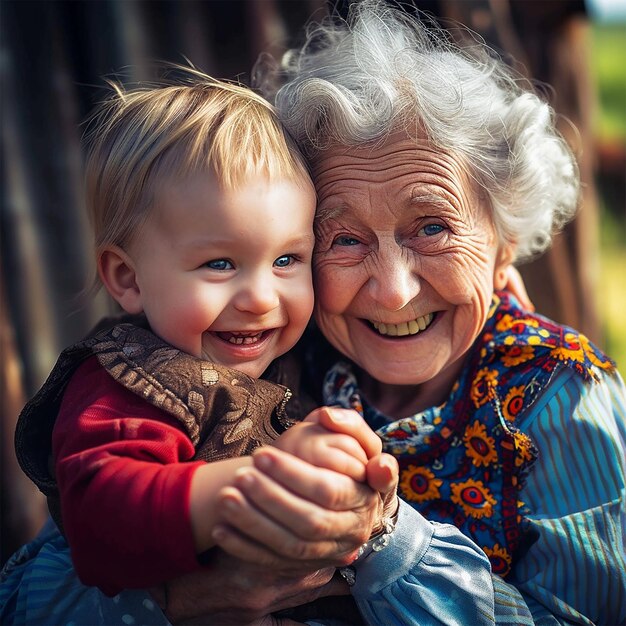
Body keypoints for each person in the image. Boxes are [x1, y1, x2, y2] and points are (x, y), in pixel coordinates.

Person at [155, 1, 625, 624]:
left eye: (431, 228)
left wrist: (385, 536)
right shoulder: (264, 350)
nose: (394, 293)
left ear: (503, 239)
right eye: (343, 239)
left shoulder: (562, 398)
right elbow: (37, 585)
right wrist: (169, 601)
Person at [0, 70, 400, 625]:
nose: (262, 298)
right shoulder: (125, 388)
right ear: (128, 278)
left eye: (288, 260)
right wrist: (255, 485)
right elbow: (99, 518)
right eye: (219, 264)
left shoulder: (291, 356)